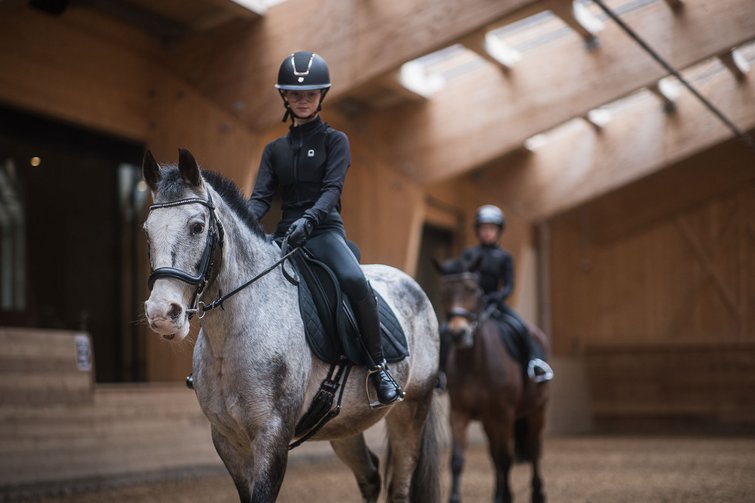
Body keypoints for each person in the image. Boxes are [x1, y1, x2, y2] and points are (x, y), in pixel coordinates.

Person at [247, 51, 403, 406]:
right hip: (285, 234)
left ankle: (379, 367)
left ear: (321, 96)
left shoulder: (336, 141)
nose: (303, 100)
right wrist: (239, 220)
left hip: (324, 231)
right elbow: (259, 200)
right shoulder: (274, 150)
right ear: (284, 96)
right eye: (296, 94)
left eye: (310, 94)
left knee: (354, 280)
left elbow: (332, 191)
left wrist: (311, 220)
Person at [444, 204, 553, 384]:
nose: (487, 232)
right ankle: (440, 372)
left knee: (521, 328)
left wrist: (497, 297)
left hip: (495, 302)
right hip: (471, 304)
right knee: (446, 329)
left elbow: (509, 285)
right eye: (484, 228)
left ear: (498, 231)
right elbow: (461, 280)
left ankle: (534, 364)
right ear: (478, 231)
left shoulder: (505, 257)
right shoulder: (468, 254)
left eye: (491, 229)